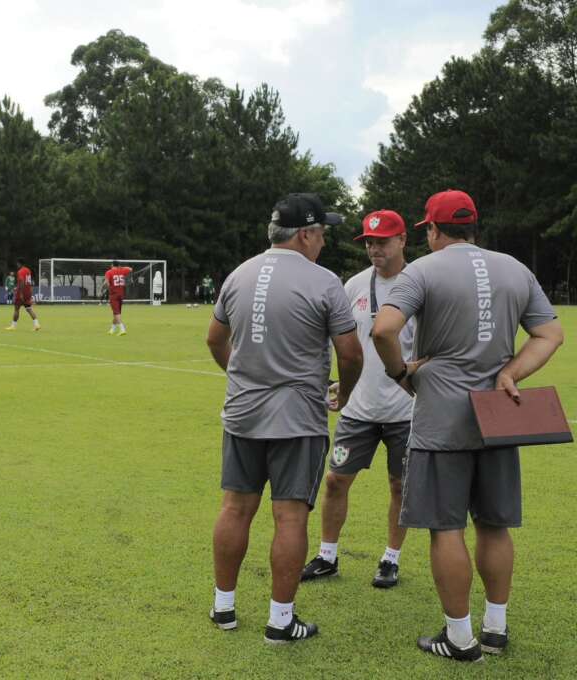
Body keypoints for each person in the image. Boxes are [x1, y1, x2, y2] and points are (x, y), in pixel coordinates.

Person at [372, 190, 563, 662]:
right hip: (498, 414)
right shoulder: (514, 268)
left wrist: (401, 372)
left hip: (441, 417)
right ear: (473, 227)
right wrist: (511, 372)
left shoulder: (422, 269)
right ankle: (495, 629)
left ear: (434, 231)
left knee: (446, 528)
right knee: (495, 526)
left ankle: (459, 638)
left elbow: (382, 330)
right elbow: (550, 333)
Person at [206, 193, 362, 643]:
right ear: (306, 233)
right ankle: (280, 620)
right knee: (290, 518)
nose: (325, 241)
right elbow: (350, 354)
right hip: (297, 418)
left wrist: (241, 373)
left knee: (235, 508)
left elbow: (215, 340)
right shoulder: (325, 281)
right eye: (322, 233)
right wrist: (344, 393)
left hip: (242, 413)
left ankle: (224, 608)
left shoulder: (239, 274)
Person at [301, 210, 416, 589]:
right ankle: (328, 555)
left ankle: (390, 559)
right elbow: (345, 343)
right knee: (335, 480)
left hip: (406, 411)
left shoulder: (421, 285)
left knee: (400, 486)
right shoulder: (352, 286)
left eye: (381, 241)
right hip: (359, 409)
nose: (373, 248)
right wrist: (340, 383)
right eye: (368, 241)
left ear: (402, 241)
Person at [5, 259, 40, 331]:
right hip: (28, 292)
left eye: (17, 264)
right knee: (29, 308)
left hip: (22, 292)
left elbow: (21, 281)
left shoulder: (20, 271)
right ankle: (37, 324)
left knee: (16, 309)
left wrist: (20, 293)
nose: (17, 265)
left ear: (19, 264)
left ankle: (13, 326)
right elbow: (28, 281)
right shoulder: (28, 270)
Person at [105, 260, 133, 335]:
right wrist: (121, 268)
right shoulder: (122, 270)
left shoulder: (109, 272)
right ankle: (112, 329)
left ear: (112, 265)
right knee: (117, 313)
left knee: (116, 313)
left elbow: (107, 283)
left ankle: (122, 329)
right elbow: (130, 269)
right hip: (121, 294)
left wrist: (107, 287)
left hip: (113, 295)